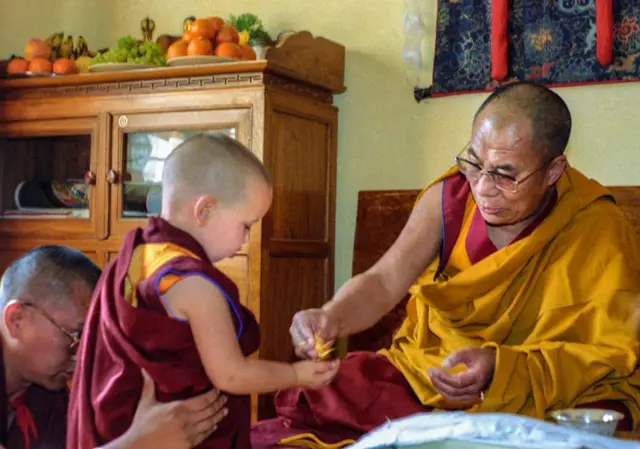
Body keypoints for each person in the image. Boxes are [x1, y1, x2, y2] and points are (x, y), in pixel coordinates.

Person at [251, 81, 640, 448]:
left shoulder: (595, 224)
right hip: (435, 376)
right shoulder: (449, 197)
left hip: (541, 390)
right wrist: (332, 315)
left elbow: (607, 352)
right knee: (323, 390)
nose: (483, 188)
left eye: (505, 175)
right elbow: (384, 280)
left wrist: (499, 368)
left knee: (598, 422)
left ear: (553, 171)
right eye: (474, 162)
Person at [68, 133, 340, 449]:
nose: (246, 240)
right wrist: (296, 375)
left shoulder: (135, 257)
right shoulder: (194, 285)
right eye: (247, 225)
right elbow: (231, 375)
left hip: (121, 430)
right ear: (205, 210)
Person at [0, 245, 229, 449]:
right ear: (17, 320)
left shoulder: (48, 395)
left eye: (92, 342)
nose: (81, 358)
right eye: (75, 336)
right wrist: (138, 443)